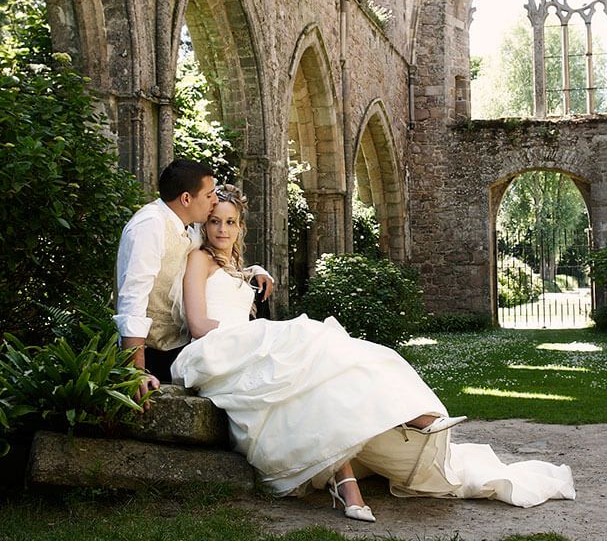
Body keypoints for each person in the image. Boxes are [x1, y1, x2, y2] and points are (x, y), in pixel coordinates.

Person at [171, 185, 575, 522]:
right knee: (314, 338)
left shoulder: (236, 264)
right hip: (216, 350)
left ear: (241, 227)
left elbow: (232, 282)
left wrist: (253, 273)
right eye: (214, 220)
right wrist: (255, 333)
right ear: (204, 223)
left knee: (324, 375)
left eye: (230, 222)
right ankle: (378, 446)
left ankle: (358, 466)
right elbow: (198, 325)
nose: (222, 229)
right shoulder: (198, 258)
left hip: (245, 346)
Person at [113, 159, 273, 401]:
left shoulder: (188, 230)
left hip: (178, 346)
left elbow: (220, 262)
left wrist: (254, 270)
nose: (215, 201)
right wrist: (135, 372)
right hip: (152, 354)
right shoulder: (150, 226)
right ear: (187, 199)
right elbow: (132, 300)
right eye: (209, 195)